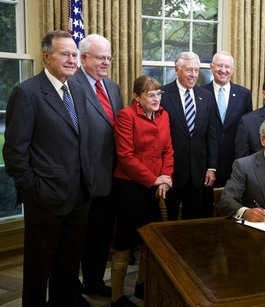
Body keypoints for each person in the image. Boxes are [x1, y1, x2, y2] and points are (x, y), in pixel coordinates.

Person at [3, 30, 94, 306]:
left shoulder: (78, 89)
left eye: (75, 54)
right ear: (46, 56)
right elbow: (15, 154)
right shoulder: (27, 93)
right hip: (45, 200)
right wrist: (35, 192)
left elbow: (81, 140)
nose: (71, 59)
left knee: (67, 268)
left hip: (79, 196)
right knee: (38, 270)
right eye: (64, 53)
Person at [111, 75, 174, 306]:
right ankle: (117, 295)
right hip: (130, 186)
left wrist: (165, 178)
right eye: (151, 95)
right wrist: (155, 180)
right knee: (125, 240)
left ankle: (143, 285)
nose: (156, 99)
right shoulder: (126, 116)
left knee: (152, 239)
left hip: (158, 186)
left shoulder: (164, 115)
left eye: (159, 94)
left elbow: (168, 149)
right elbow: (125, 157)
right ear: (136, 97)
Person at [70, 33, 123, 298]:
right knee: (78, 239)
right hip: (81, 179)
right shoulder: (72, 85)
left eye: (108, 58)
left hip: (111, 177)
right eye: (100, 58)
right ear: (84, 58)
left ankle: (94, 282)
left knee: (102, 237)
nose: (106, 63)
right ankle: (71, 288)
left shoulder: (113, 87)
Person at [161, 51, 219, 219]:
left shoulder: (206, 96)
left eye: (196, 70)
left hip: (198, 172)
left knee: (193, 223)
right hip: (171, 172)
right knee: (168, 222)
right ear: (177, 70)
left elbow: (211, 134)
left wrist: (211, 167)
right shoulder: (163, 95)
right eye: (189, 70)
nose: (193, 75)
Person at [201, 51, 253, 187]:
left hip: (235, 164)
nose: (223, 70)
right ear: (211, 67)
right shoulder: (200, 93)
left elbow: (248, 132)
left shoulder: (245, 94)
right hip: (206, 166)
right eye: (219, 66)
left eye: (227, 67)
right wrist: (209, 165)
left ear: (233, 69)